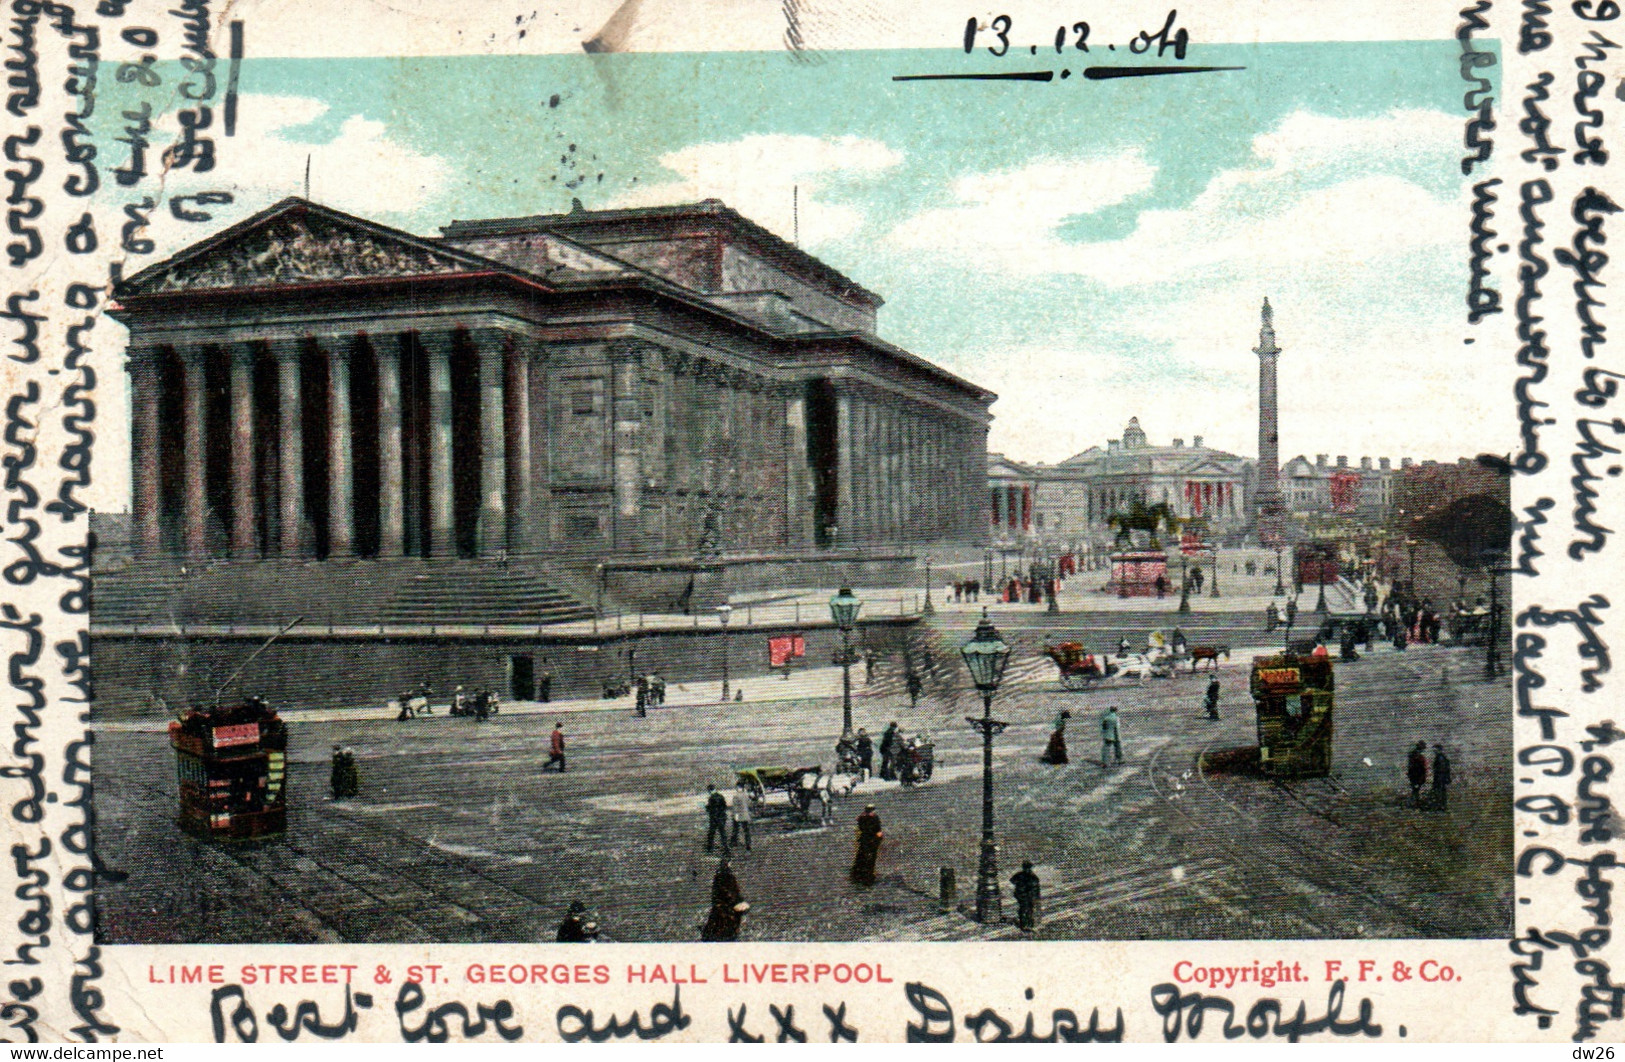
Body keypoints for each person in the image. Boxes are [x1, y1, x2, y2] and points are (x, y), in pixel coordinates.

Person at [700, 857, 747, 942]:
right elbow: (729, 893)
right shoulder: (724, 878)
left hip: (726, 909)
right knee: (722, 925)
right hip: (725, 909)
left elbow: (732, 892)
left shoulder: (724, 878)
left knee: (721, 925)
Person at [851, 805, 883, 885]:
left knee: (861, 856)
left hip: (864, 839)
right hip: (872, 840)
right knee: (871, 858)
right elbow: (878, 831)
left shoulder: (861, 817)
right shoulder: (875, 818)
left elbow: (860, 827)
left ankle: (858, 875)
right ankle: (868, 877)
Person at [1011, 861, 1041, 932]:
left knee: (1024, 909)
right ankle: (1028, 924)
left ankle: (1024, 924)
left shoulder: (1020, 874)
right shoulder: (1032, 876)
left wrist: (1019, 885)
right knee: (1028, 909)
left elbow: (1012, 880)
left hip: (1021, 895)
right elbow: (1036, 887)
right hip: (1027, 896)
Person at [705, 784, 729, 852]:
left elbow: (710, 809)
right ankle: (726, 848)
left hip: (714, 818)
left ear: (709, 790)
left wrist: (706, 807)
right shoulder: (721, 796)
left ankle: (710, 848)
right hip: (722, 817)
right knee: (723, 833)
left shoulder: (711, 798)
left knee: (711, 834)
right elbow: (724, 806)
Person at [730, 779, 753, 852]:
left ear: (738, 787)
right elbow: (749, 804)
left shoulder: (736, 796)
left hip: (738, 815)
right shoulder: (746, 795)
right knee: (746, 831)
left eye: (737, 787)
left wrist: (735, 816)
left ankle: (733, 843)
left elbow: (735, 807)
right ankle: (748, 845)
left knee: (735, 830)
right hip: (746, 815)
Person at [1431, 744, 1453, 810]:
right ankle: (1442, 805)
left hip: (1440, 778)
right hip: (1441, 778)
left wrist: (1438, 778)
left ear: (1439, 750)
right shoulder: (1441, 757)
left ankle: (1441, 806)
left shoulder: (1440, 758)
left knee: (1440, 791)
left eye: (1435, 750)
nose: (1434, 751)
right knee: (1442, 792)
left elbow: (1441, 769)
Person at [1407, 740, 1428, 807]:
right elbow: (1419, 768)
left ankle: (1414, 803)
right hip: (1416, 776)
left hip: (1415, 776)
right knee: (1415, 790)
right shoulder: (1417, 756)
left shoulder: (1414, 755)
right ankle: (1414, 803)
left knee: (1415, 790)